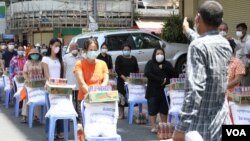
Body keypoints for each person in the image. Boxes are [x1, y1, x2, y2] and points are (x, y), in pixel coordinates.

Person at [172, 1, 232, 141]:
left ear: (198, 18)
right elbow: (205, 42)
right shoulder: (225, 44)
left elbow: (195, 90)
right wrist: (188, 32)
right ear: (220, 21)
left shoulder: (198, 46)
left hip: (201, 128)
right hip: (222, 121)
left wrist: (181, 127)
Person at [74, 37, 109, 139]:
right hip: (85, 100)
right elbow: (82, 83)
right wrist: (92, 94)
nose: (93, 52)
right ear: (85, 50)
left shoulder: (102, 64)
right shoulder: (79, 64)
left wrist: (101, 89)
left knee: (98, 129)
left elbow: (106, 78)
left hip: (99, 100)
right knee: (86, 129)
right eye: (91, 49)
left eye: (95, 49)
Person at [144, 47, 175, 133]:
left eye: (161, 53)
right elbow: (147, 73)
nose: (160, 55)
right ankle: (153, 126)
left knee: (164, 109)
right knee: (153, 109)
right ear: (154, 55)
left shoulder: (167, 64)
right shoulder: (150, 63)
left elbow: (174, 73)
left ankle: (163, 126)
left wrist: (164, 67)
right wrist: (160, 80)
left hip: (164, 91)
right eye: (158, 53)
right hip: (153, 90)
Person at [42, 38, 64, 139]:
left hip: (60, 88)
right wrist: (53, 84)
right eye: (55, 45)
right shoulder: (45, 59)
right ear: (50, 46)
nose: (57, 48)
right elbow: (46, 75)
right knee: (51, 110)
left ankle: (60, 131)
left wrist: (61, 84)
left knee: (60, 109)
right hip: (50, 88)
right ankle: (51, 131)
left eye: (59, 46)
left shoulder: (60, 59)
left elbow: (62, 74)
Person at [218, 22, 245, 96]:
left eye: (224, 29)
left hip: (233, 66)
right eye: (220, 29)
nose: (222, 31)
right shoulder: (213, 40)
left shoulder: (232, 40)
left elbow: (238, 51)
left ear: (227, 30)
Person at [115, 43, 139, 119]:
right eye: (125, 49)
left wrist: (132, 78)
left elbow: (136, 69)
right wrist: (125, 78)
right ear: (122, 50)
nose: (126, 51)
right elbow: (117, 70)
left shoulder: (133, 58)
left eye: (128, 49)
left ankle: (131, 113)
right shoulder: (119, 58)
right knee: (121, 97)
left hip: (131, 81)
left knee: (131, 97)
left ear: (130, 50)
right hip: (122, 80)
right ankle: (121, 114)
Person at [21, 48, 45, 123]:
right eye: (33, 54)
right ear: (30, 55)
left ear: (38, 55)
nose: (34, 56)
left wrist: (44, 81)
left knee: (38, 98)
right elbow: (24, 73)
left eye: (36, 54)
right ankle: (24, 115)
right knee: (26, 98)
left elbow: (45, 73)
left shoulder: (41, 63)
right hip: (29, 83)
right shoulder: (27, 63)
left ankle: (36, 116)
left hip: (39, 84)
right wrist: (27, 79)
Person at [63, 43, 82, 118]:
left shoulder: (81, 58)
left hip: (78, 82)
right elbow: (64, 70)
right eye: (73, 47)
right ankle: (70, 114)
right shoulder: (66, 57)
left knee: (78, 99)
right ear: (70, 49)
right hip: (69, 82)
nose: (74, 49)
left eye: (76, 47)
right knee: (70, 99)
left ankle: (78, 114)